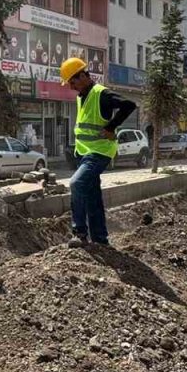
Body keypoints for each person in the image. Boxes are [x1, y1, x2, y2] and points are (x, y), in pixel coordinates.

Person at [61, 57, 137, 247]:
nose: (71, 87)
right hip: (84, 152)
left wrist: (111, 127)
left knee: (76, 184)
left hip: (99, 152)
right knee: (92, 197)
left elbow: (129, 105)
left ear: (82, 76)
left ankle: (79, 233)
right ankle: (100, 240)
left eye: (73, 81)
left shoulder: (100, 94)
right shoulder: (82, 97)